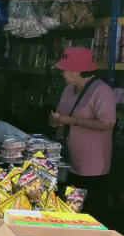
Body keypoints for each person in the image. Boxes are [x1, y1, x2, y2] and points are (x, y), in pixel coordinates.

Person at [49, 47, 116, 213]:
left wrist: (72, 121)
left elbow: (108, 123)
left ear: (76, 71)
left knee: (89, 210)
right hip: (67, 161)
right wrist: (54, 121)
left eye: (65, 70)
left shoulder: (102, 91)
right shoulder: (68, 89)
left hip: (90, 166)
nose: (62, 73)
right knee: (66, 208)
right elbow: (59, 116)